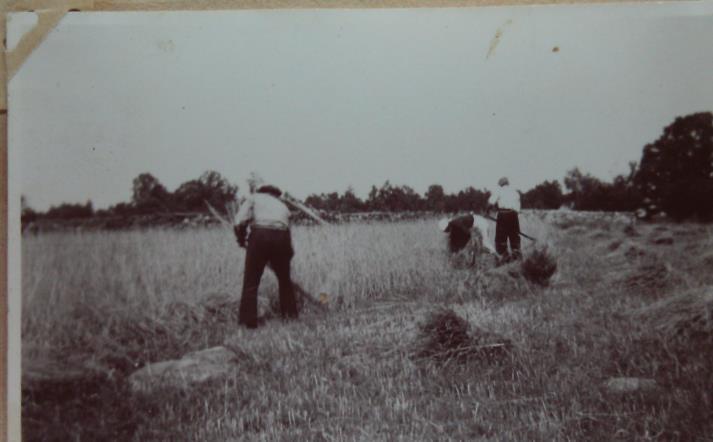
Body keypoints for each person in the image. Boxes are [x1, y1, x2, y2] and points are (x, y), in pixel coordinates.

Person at [234, 183, 298, 328]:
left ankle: (248, 322)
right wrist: (289, 251)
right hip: (282, 238)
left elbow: (239, 222)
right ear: (274, 194)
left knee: (251, 279)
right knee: (285, 280)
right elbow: (288, 230)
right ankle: (290, 317)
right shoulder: (282, 206)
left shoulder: (253, 198)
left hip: (260, 235)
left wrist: (241, 239)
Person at [488, 177, 522, 263]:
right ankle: (517, 259)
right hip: (514, 216)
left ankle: (503, 259)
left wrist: (487, 210)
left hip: (503, 215)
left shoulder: (499, 191)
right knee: (515, 237)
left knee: (501, 239)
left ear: (501, 184)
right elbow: (518, 208)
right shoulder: (515, 192)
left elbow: (491, 202)